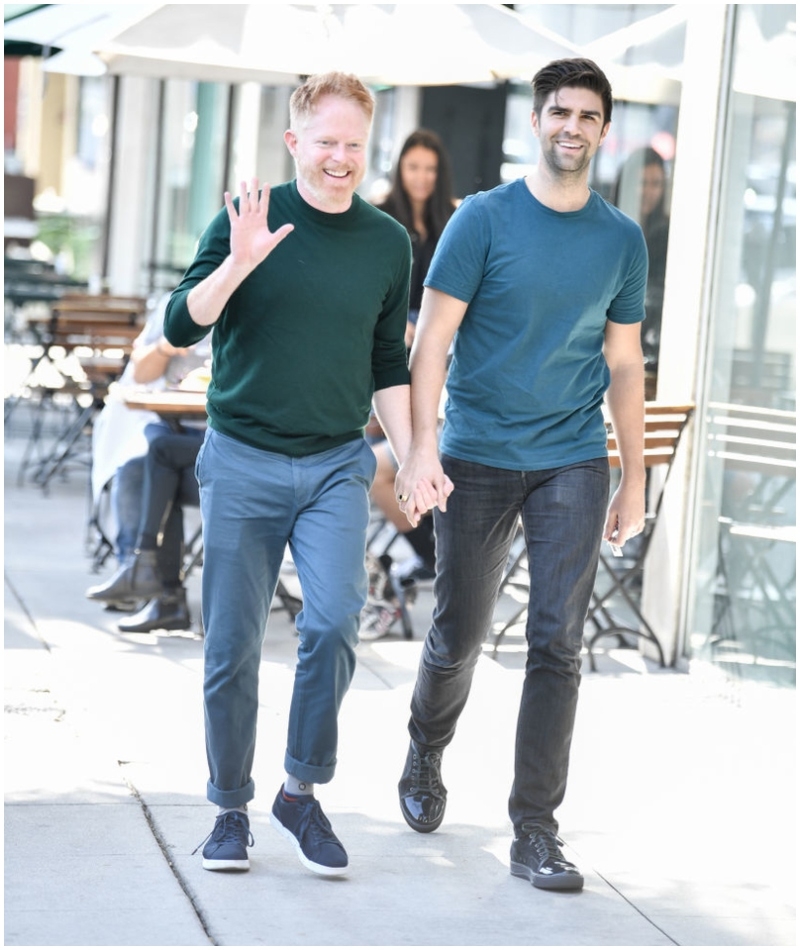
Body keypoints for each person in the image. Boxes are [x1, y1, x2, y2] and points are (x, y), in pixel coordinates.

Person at [394, 58, 647, 893]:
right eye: (559, 112)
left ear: (604, 130)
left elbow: (622, 362)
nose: (573, 127)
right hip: (475, 452)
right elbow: (429, 343)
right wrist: (421, 449)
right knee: (459, 631)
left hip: (572, 455)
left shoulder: (621, 239)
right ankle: (426, 748)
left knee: (557, 643)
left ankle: (535, 830)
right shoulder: (482, 221)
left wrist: (633, 475)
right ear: (535, 121)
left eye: (588, 116)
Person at [162, 72, 413, 877]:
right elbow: (177, 326)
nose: (341, 159)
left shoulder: (386, 242)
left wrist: (413, 457)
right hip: (242, 457)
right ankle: (230, 808)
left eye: (354, 145)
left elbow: (387, 361)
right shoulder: (248, 218)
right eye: (326, 142)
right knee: (232, 643)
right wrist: (237, 263)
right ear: (294, 141)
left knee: (336, 619)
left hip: (338, 461)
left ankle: (300, 791)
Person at [360, 131, 458, 640]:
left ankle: (445, 564)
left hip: (448, 360)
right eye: (413, 167)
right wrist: (403, 327)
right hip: (397, 355)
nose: (421, 178)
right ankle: (436, 560)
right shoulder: (381, 217)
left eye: (430, 169)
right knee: (385, 465)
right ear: (400, 169)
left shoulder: (455, 220)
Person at [87, 295, 211, 616]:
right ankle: (141, 575)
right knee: (137, 470)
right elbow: (139, 372)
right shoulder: (183, 302)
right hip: (180, 432)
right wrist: (168, 346)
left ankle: (156, 587)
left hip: (230, 441)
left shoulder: (259, 300)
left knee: (159, 460)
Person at [85, 421, 205, 633]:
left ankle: (151, 579)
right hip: (222, 437)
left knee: (160, 451)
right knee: (138, 469)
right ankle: (150, 581)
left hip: (257, 451)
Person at [613, 146, 670, 388]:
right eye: (642, 182)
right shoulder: (608, 227)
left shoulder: (668, 235)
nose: (648, 191)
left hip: (648, 347)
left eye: (656, 183)